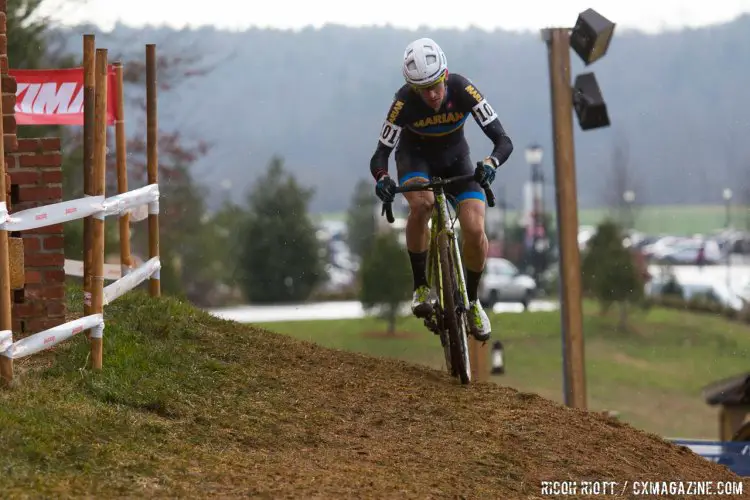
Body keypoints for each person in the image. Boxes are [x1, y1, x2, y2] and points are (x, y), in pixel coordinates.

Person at [369, 37, 514, 342]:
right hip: (415, 161)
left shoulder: (463, 89)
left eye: (436, 85)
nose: (432, 95)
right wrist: (382, 178)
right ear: (412, 88)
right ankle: (421, 285)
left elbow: (503, 141)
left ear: (446, 76)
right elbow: (380, 155)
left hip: (457, 160)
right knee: (421, 206)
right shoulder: (403, 102)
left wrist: (490, 163)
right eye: (424, 90)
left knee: (474, 228)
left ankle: (473, 302)